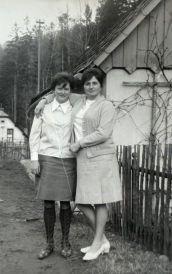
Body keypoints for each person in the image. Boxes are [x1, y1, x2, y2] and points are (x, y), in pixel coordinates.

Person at [35, 68, 122, 261]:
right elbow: (58, 92)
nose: (91, 87)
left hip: (100, 156)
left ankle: (98, 243)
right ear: (84, 86)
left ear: (101, 86)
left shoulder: (106, 106)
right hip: (82, 158)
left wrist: (79, 143)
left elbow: (103, 133)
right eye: (88, 83)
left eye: (95, 83)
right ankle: (103, 240)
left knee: (99, 201)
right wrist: (43, 101)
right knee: (81, 201)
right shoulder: (79, 100)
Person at [29, 72, 77, 259]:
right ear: (53, 89)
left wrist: (44, 97)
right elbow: (34, 135)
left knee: (65, 203)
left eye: (66, 87)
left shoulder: (76, 108)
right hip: (47, 158)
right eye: (59, 87)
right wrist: (34, 159)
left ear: (71, 90)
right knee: (48, 202)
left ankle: (65, 241)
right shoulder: (44, 109)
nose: (62, 91)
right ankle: (49, 242)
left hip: (68, 159)